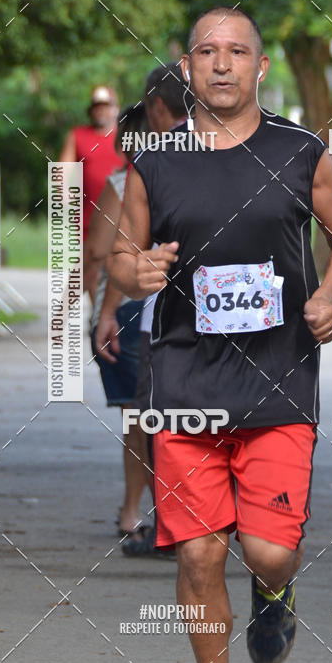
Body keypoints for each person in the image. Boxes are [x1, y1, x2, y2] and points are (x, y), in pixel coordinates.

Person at [108, 7, 332, 663]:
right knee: (196, 554)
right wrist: (141, 271)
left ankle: (275, 592)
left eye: (238, 51)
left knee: (269, 551)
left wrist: (325, 296)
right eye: (207, 52)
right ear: (186, 68)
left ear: (261, 67)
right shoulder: (153, 163)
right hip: (186, 383)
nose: (222, 64)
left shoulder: (298, 151)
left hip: (278, 383)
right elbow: (123, 260)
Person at [121, 63, 190, 558]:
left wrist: (107, 307)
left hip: (164, 328)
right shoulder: (249, 153)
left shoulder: (148, 164)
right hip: (245, 331)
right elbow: (125, 256)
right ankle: (183, 522)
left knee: (156, 423)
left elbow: (114, 252)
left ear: (156, 107)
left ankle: (173, 522)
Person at [86, 103, 150, 541]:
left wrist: (97, 309)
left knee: (137, 420)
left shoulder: (121, 184)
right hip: (182, 313)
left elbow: (96, 252)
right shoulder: (195, 181)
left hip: (126, 309)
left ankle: (132, 511)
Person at [58, 85, 123, 300]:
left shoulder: (126, 136)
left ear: (116, 108)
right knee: (93, 274)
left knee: (119, 276)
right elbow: (63, 169)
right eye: (97, 106)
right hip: (89, 221)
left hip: (123, 220)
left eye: (106, 106)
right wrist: (63, 192)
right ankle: (98, 325)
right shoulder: (78, 135)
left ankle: (112, 323)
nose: (101, 111)